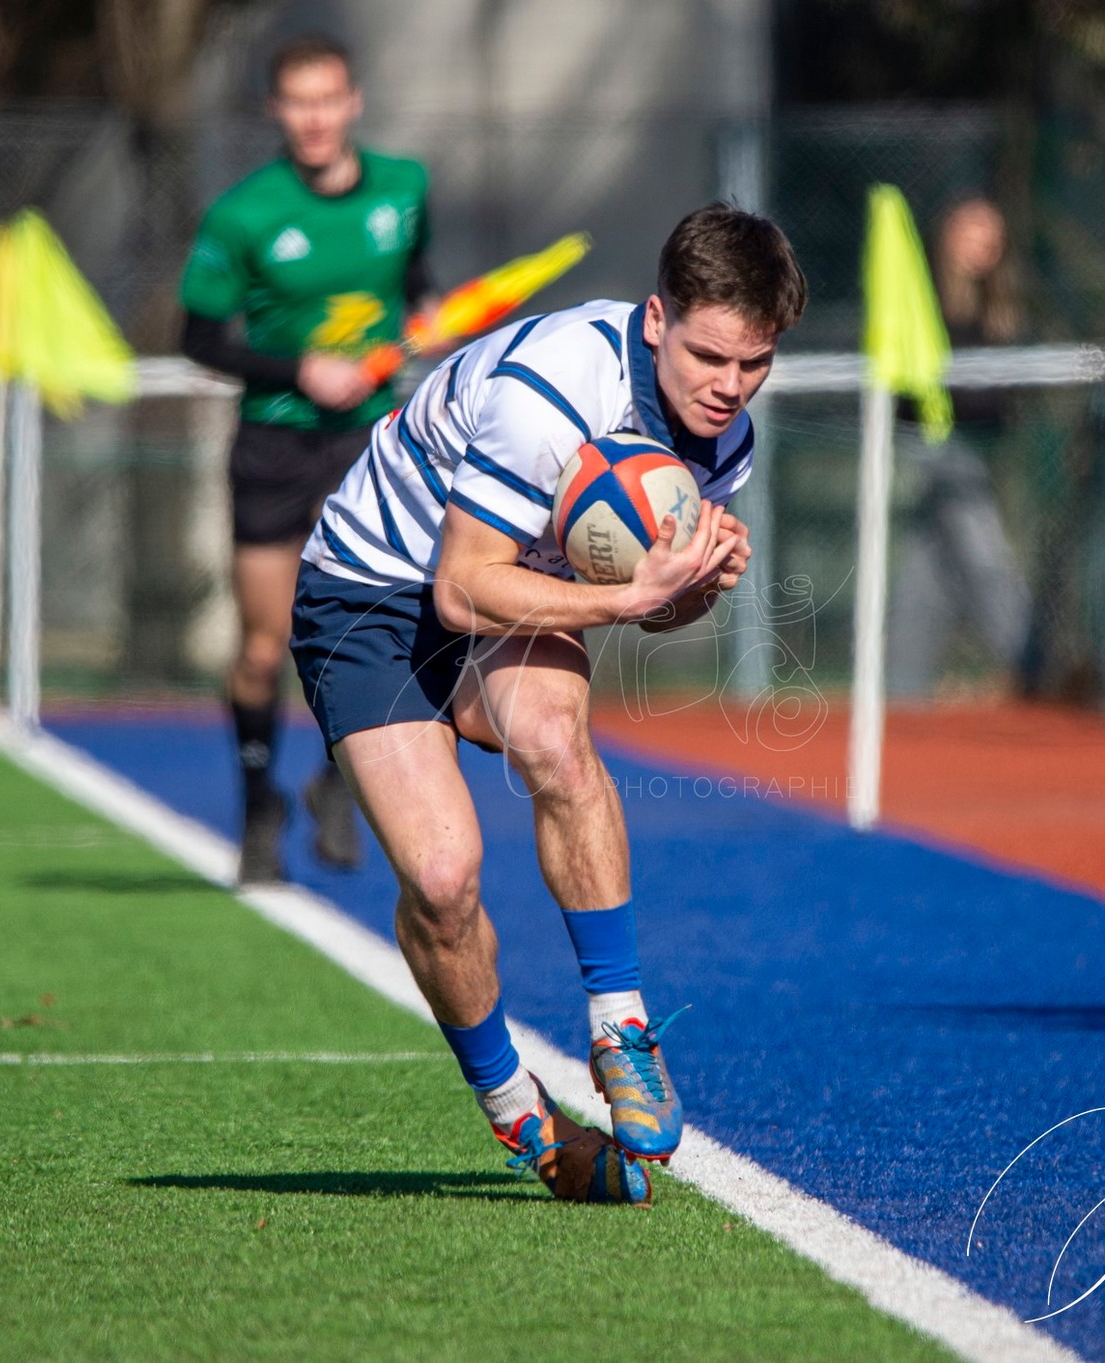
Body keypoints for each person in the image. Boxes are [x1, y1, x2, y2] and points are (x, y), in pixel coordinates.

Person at [287, 206, 806, 1202]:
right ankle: (517, 1111)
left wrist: (689, 586)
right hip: (370, 592)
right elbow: (456, 588)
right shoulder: (549, 393)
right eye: (708, 357)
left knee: (553, 741)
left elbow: (643, 607)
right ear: (656, 319)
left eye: (753, 365)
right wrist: (632, 594)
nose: (728, 388)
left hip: (500, 587)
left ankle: (620, 1027)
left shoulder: (718, 437)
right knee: (441, 881)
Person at [178, 34, 435, 884]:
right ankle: (259, 802)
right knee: (266, 644)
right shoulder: (243, 215)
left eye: (329, 99)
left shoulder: (405, 188)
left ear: (354, 100)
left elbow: (419, 285)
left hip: (373, 441)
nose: (316, 118)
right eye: (299, 102)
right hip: (275, 442)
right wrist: (297, 369)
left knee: (385, 630)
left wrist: (431, 320)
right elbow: (198, 335)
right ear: (276, 111)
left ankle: (338, 780)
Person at [886, 196, 1031, 696]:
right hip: (937, 444)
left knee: (926, 572)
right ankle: (1031, 666)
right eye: (972, 230)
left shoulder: (1000, 303)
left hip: (980, 446)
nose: (984, 243)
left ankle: (902, 684)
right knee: (986, 555)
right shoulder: (924, 293)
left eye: (992, 233)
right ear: (949, 235)